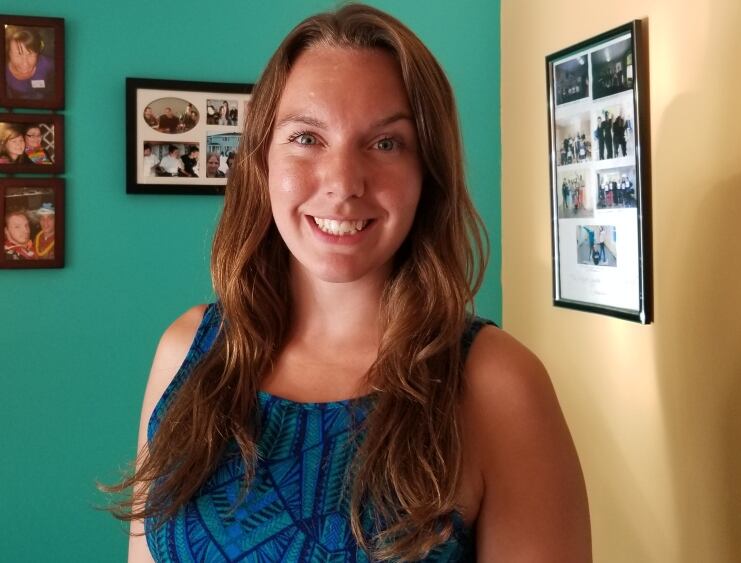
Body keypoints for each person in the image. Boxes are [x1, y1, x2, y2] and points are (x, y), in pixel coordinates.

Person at [108, 5, 590, 562]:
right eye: (307, 138)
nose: (342, 183)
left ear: (427, 173)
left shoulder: (497, 384)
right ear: (262, 159)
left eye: (386, 143)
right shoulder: (190, 351)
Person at [4, 27, 55, 100]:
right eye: (18, 55)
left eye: (30, 54)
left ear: (37, 52)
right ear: (8, 53)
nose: (25, 63)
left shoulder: (46, 63)